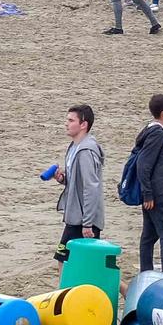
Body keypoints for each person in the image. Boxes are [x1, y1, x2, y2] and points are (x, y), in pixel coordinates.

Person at [53, 104, 104, 262]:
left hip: (82, 219)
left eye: (71, 120)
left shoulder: (86, 152)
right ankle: (125, 288)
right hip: (77, 216)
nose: (66, 123)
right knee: (90, 265)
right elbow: (77, 182)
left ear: (83, 125)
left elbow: (91, 188)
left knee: (64, 260)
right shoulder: (74, 147)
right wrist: (62, 178)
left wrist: (87, 224)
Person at [133, 94, 163, 274]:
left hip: (153, 192)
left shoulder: (149, 130)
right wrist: (148, 193)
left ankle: (146, 271)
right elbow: (143, 164)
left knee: (149, 236)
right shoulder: (157, 133)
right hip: (158, 194)